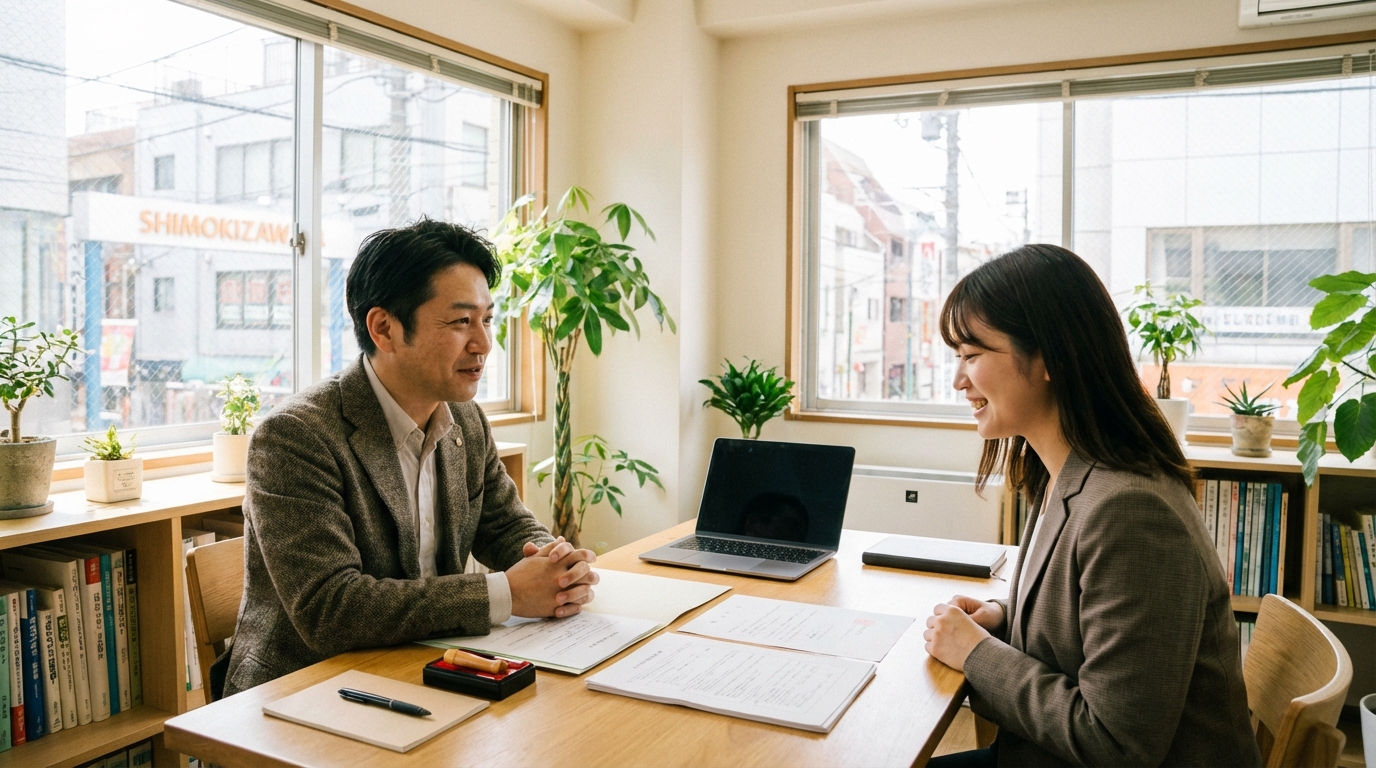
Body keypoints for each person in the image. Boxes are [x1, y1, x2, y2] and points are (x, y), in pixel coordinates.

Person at [224, 218, 597, 697]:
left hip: (422, 667)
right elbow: (331, 608)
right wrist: (508, 593)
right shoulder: (296, 437)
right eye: (462, 321)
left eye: (487, 319)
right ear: (384, 327)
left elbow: (505, 525)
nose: (483, 343)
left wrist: (555, 565)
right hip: (307, 689)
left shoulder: (465, 420)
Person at [922, 245, 1260, 767]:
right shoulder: (1063, 471)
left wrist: (975, 653)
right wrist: (1002, 619)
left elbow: (1117, 744)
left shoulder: (1131, 512)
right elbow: (1080, 625)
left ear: (1050, 359)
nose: (958, 380)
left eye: (972, 355)